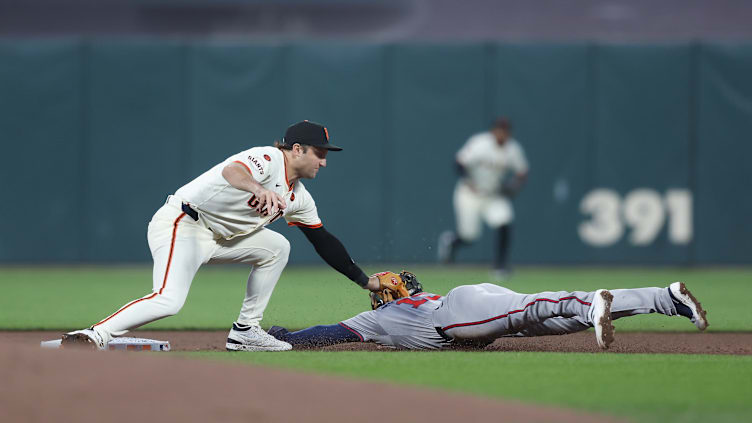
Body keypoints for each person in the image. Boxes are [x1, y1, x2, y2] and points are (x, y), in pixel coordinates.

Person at [62, 121, 389, 352]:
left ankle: (246, 331)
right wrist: (257, 188)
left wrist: (365, 282)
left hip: (220, 238)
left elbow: (323, 241)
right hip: (184, 223)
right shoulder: (268, 158)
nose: (324, 161)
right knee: (169, 300)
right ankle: (94, 335)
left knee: (277, 247)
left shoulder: (299, 198)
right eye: (320, 153)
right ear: (297, 149)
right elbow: (233, 172)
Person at [268, 272, 708, 351]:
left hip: (457, 314)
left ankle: (589, 303)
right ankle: (664, 297)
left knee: (533, 308)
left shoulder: (379, 318)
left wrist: (285, 337)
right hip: (472, 309)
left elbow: (329, 332)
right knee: (554, 321)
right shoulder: (397, 308)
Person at [438, 117, 529, 279]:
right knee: (469, 236)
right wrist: (468, 179)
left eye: (506, 131)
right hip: (469, 194)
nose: (502, 133)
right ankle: (451, 241)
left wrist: (514, 185)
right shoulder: (480, 143)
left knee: (504, 222)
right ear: (493, 131)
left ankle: (500, 266)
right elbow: (459, 163)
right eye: (500, 130)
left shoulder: (513, 149)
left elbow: (522, 172)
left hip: (493, 194)